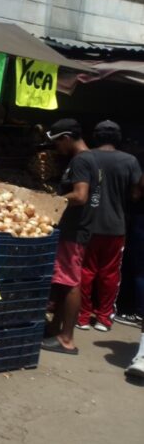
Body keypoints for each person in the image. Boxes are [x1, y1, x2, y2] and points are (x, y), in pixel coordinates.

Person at [42, 119, 101, 355]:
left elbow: (80, 196)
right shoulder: (88, 159)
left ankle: (67, 339)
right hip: (76, 229)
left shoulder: (81, 160)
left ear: (66, 138)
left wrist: (53, 202)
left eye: (57, 143)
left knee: (69, 281)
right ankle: (56, 329)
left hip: (74, 230)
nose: (57, 148)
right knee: (65, 280)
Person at [77, 121, 142, 331]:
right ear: (118, 138)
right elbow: (135, 194)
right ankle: (104, 318)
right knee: (110, 273)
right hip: (116, 227)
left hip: (88, 225)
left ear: (95, 136)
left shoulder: (85, 157)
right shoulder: (130, 161)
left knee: (85, 272)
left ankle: (83, 317)